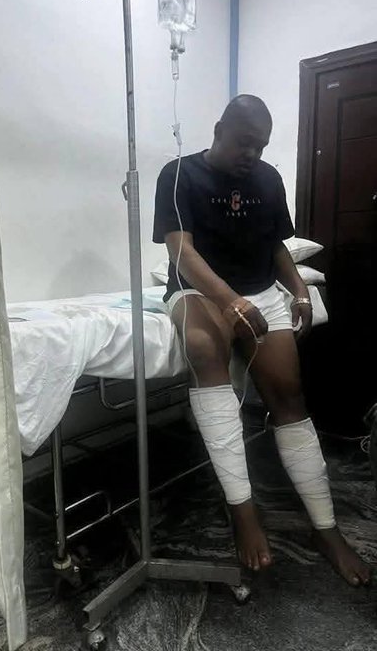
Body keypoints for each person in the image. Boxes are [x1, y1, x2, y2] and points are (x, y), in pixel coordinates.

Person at [153, 94, 371, 585]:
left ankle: (326, 527)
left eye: (261, 145)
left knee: (289, 396)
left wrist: (299, 292)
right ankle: (243, 511)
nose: (252, 153)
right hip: (198, 289)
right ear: (218, 130)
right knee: (204, 348)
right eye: (244, 143)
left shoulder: (268, 179)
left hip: (259, 290)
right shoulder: (179, 174)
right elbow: (181, 252)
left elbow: (276, 246)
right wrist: (230, 302)